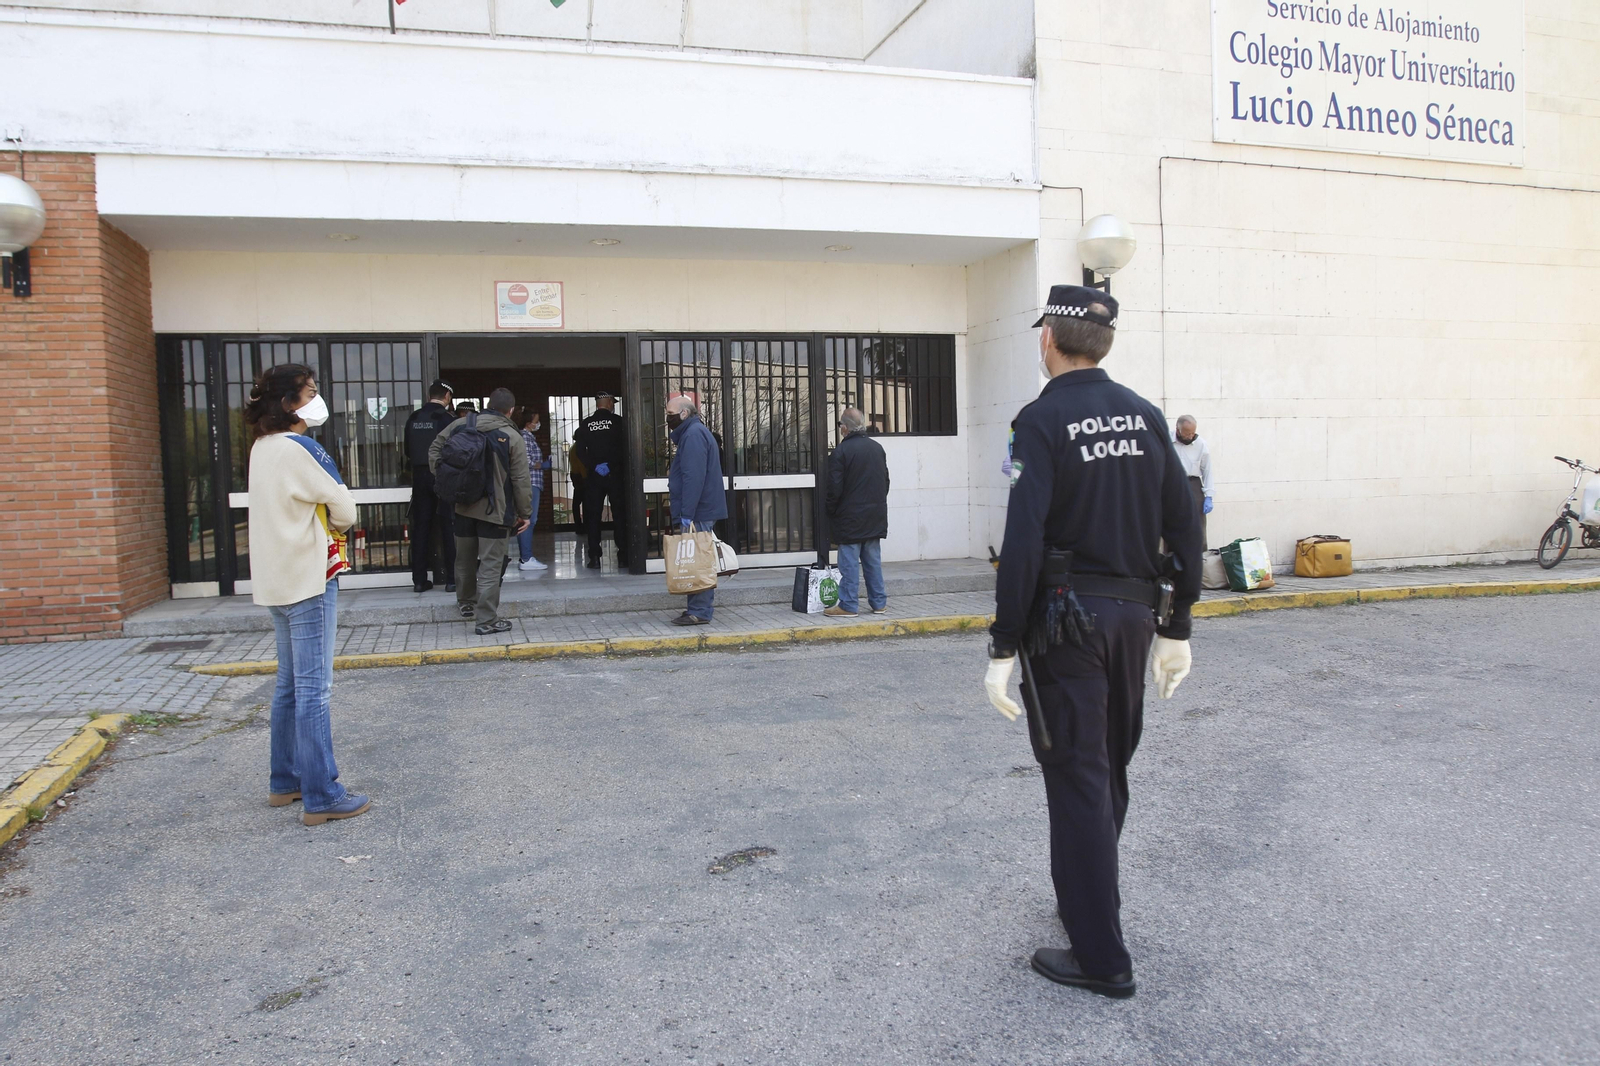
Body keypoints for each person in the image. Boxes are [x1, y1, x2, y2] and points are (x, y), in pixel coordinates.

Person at [984, 284, 1202, 999]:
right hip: (1135, 618)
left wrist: (1003, 644)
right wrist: (1178, 623)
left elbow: (1023, 538)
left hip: (1067, 623)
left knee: (1077, 777)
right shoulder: (1145, 417)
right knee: (1107, 770)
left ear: (1049, 338)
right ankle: (1086, 896)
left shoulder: (1040, 421)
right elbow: (1187, 522)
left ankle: (1102, 958)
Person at [243, 363, 370, 826]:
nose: (317, 400)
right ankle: (322, 794)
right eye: (310, 392)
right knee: (316, 690)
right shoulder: (303, 448)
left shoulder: (261, 448)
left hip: (276, 580)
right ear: (288, 403)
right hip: (309, 579)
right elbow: (345, 508)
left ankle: (286, 781)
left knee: (290, 686)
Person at [429, 387, 532, 635]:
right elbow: (520, 479)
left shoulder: (460, 425)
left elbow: (434, 450)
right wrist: (525, 512)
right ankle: (486, 620)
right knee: (490, 565)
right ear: (510, 410)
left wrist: (447, 479)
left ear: (488, 404)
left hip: (462, 506)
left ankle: (466, 604)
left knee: (463, 559)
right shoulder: (511, 435)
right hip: (495, 512)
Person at [664, 395, 727, 626]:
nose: (668, 419)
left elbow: (693, 478)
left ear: (684, 414)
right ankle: (696, 607)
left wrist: (686, 514)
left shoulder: (693, 436)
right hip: (698, 510)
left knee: (699, 559)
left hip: (698, 512)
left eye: (671, 414)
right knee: (694, 559)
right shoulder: (693, 433)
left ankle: (700, 610)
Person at [823, 407, 890, 618]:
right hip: (874, 516)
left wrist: (831, 510)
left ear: (845, 427)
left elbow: (834, 488)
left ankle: (848, 605)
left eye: (840, 425)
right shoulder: (877, 448)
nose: (840, 428)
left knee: (849, 564)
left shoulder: (841, 452)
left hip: (850, 519)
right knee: (872, 562)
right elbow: (885, 482)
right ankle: (879, 603)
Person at [404, 379, 456, 593]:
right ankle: (452, 579)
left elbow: (408, 449)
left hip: (418, 476)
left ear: (428, 396)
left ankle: (419, 580)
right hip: (441, 475)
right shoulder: (446, 419)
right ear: (447, 397)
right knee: (448, 526)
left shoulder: (413, 418)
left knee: (421, 527)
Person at [574, 392, 629, 570]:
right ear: (609, 403)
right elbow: (625, 448)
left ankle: (595, 557)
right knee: (619, 515)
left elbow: (580, 451)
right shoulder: (618, 422)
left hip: (595, 477)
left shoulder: (586, 424)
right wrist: (611, 466)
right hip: (615, 475)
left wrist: (595, 466)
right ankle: (623, 556)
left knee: (593, 517)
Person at [512, 405, 550, 572]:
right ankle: (526, 558)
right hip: (530, 483)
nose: (538, 423)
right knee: (529, 520)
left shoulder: (527, 437)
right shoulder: (525, 438)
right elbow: (525, 462)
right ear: (528, 423)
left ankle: (525, 557)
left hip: (531, 483)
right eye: (536, 421)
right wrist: (542, 465)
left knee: (528, 519)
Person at [1172, 415, 1213, 549]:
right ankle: (1171, 563)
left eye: (1193, 433)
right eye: (1187, 433)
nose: (1191, 436)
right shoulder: (1166, 440)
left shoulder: (1201, 444)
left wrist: (1209, 496)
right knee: (1172, 524)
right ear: (1178, 430)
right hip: (1172, 484)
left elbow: (1207, 470)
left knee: (1198, 526)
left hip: (1193, 483)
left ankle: (1200, 560)